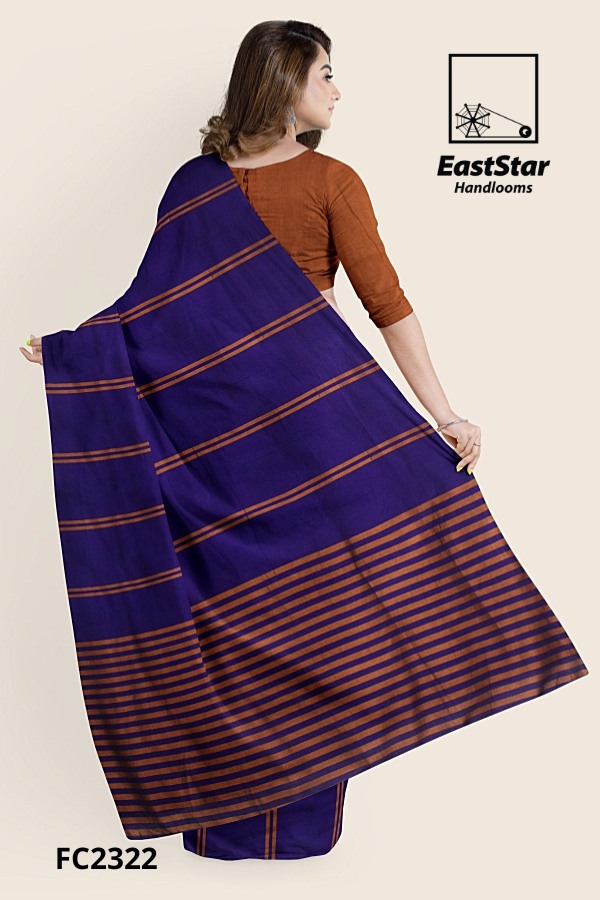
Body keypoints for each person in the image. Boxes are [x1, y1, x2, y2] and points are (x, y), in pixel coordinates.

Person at [20, 20, 587, 862]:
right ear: (283, 80)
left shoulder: (330, 181)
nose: (337, 90)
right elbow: (152, 305)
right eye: (325, 73)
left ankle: (296, 825)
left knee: (325, 618)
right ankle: (227, 816)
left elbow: (386, 304)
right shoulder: (197, 184)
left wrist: (443, 415)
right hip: (220, 438)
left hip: (315, 428)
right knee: (234, 619)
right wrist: (75, 349)